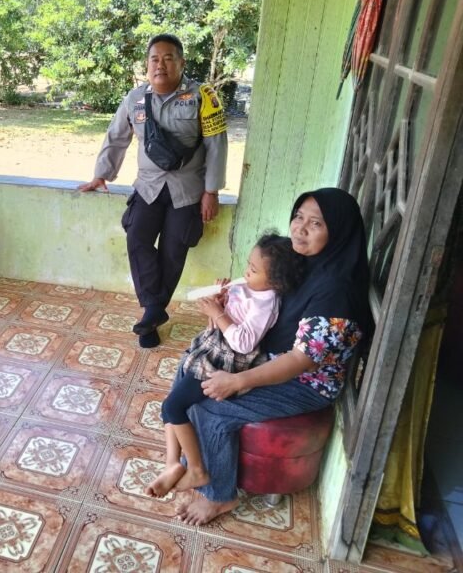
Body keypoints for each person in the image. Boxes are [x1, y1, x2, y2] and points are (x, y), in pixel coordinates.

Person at [173, 188, 374, 525]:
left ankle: (220, 496)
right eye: (298, 217)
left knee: (214, 407)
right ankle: (197, 464)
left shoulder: (336, 290)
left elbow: (300, 361)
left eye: (315, 224)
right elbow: (264, 304)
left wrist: (237, 381)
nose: (300, 229)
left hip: (306, 383)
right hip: (271, 358)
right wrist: (228, 305)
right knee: (194, 370)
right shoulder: (306, 264)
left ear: (337, 232)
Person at [78, 33, 228, 349]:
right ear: (147, 65)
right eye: (154, 59)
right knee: (137, 238)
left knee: (174, 252)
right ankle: (155, 308)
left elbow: (217, 145)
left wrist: (211, 191)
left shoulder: (204, 96)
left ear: (182, 63)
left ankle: (150, 318)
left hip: (187, 191)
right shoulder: (134, 99)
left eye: (168, 58)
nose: (161, 64)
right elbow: (116, 137)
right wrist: (101, 175)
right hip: (147, 188)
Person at [145, 233, 306, 498]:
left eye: (253, 270)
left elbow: (243, 342)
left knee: (173, 406)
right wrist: (222, 300)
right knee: (173, 400)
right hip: (213, 347)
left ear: (276, 281)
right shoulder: (248, 287)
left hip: (227, 361)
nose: (246, 272)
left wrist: (218, 314)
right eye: (247, 265)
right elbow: (227, 319)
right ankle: (172, 464)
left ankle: (196, 469)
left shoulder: (266, 304)